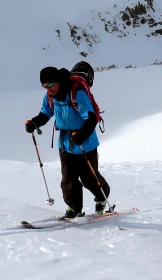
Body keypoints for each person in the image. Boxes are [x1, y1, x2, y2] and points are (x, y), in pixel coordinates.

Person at [25, 65, 110, 220]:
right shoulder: (50, 96)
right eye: (45, 86)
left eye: (50, 85)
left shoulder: (76, 93)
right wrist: (34, 122)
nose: (48, 89)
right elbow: (46, 112)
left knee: (89, 177)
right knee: (68, 178)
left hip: (85, 142)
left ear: (58, 81)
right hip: (65, 142)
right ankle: (74, 207)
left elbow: (90, 118)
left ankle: (102, 198)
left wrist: (82, 135)